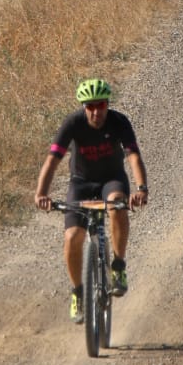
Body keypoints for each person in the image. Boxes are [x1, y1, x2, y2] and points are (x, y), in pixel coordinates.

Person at [34, 78, 148, 323]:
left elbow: (133, 157)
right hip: (81, 183)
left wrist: (141, 189)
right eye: (91, 106)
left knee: (118, 204)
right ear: (83, 107)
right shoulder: (72, 124)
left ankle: (117, 266)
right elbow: (53, 160)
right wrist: (41, 193)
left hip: (112, 179)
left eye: (101, 105)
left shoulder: (119, 122)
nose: (97, 112)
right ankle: (77, 292)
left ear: (108, 104)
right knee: (72, 237)